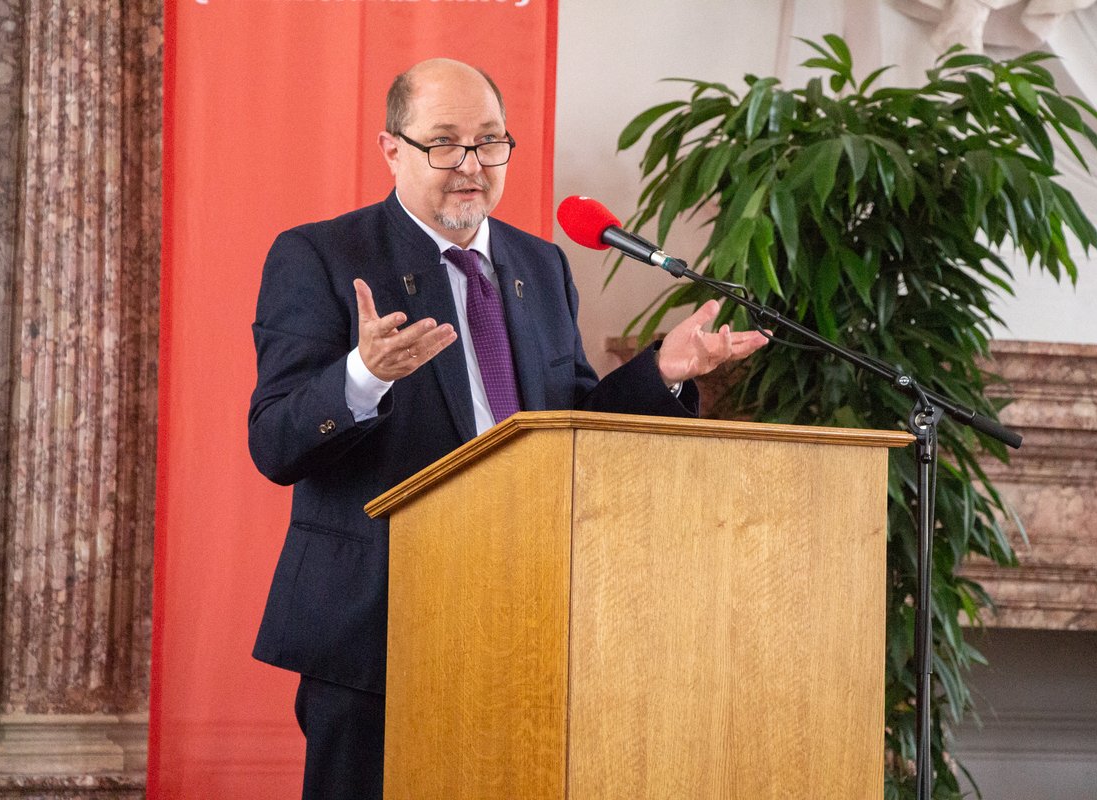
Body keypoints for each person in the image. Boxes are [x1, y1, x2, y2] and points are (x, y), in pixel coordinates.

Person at [247, 57, 768, 800]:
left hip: (525, 612)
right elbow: (275, 442)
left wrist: (664, 371)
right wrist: (364, 375)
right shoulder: (322, 256)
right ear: (392, 149)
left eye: (490, 141)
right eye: (444, 143)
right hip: (378, 626)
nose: (471, 165)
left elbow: (572, 424)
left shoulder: (539, 262)